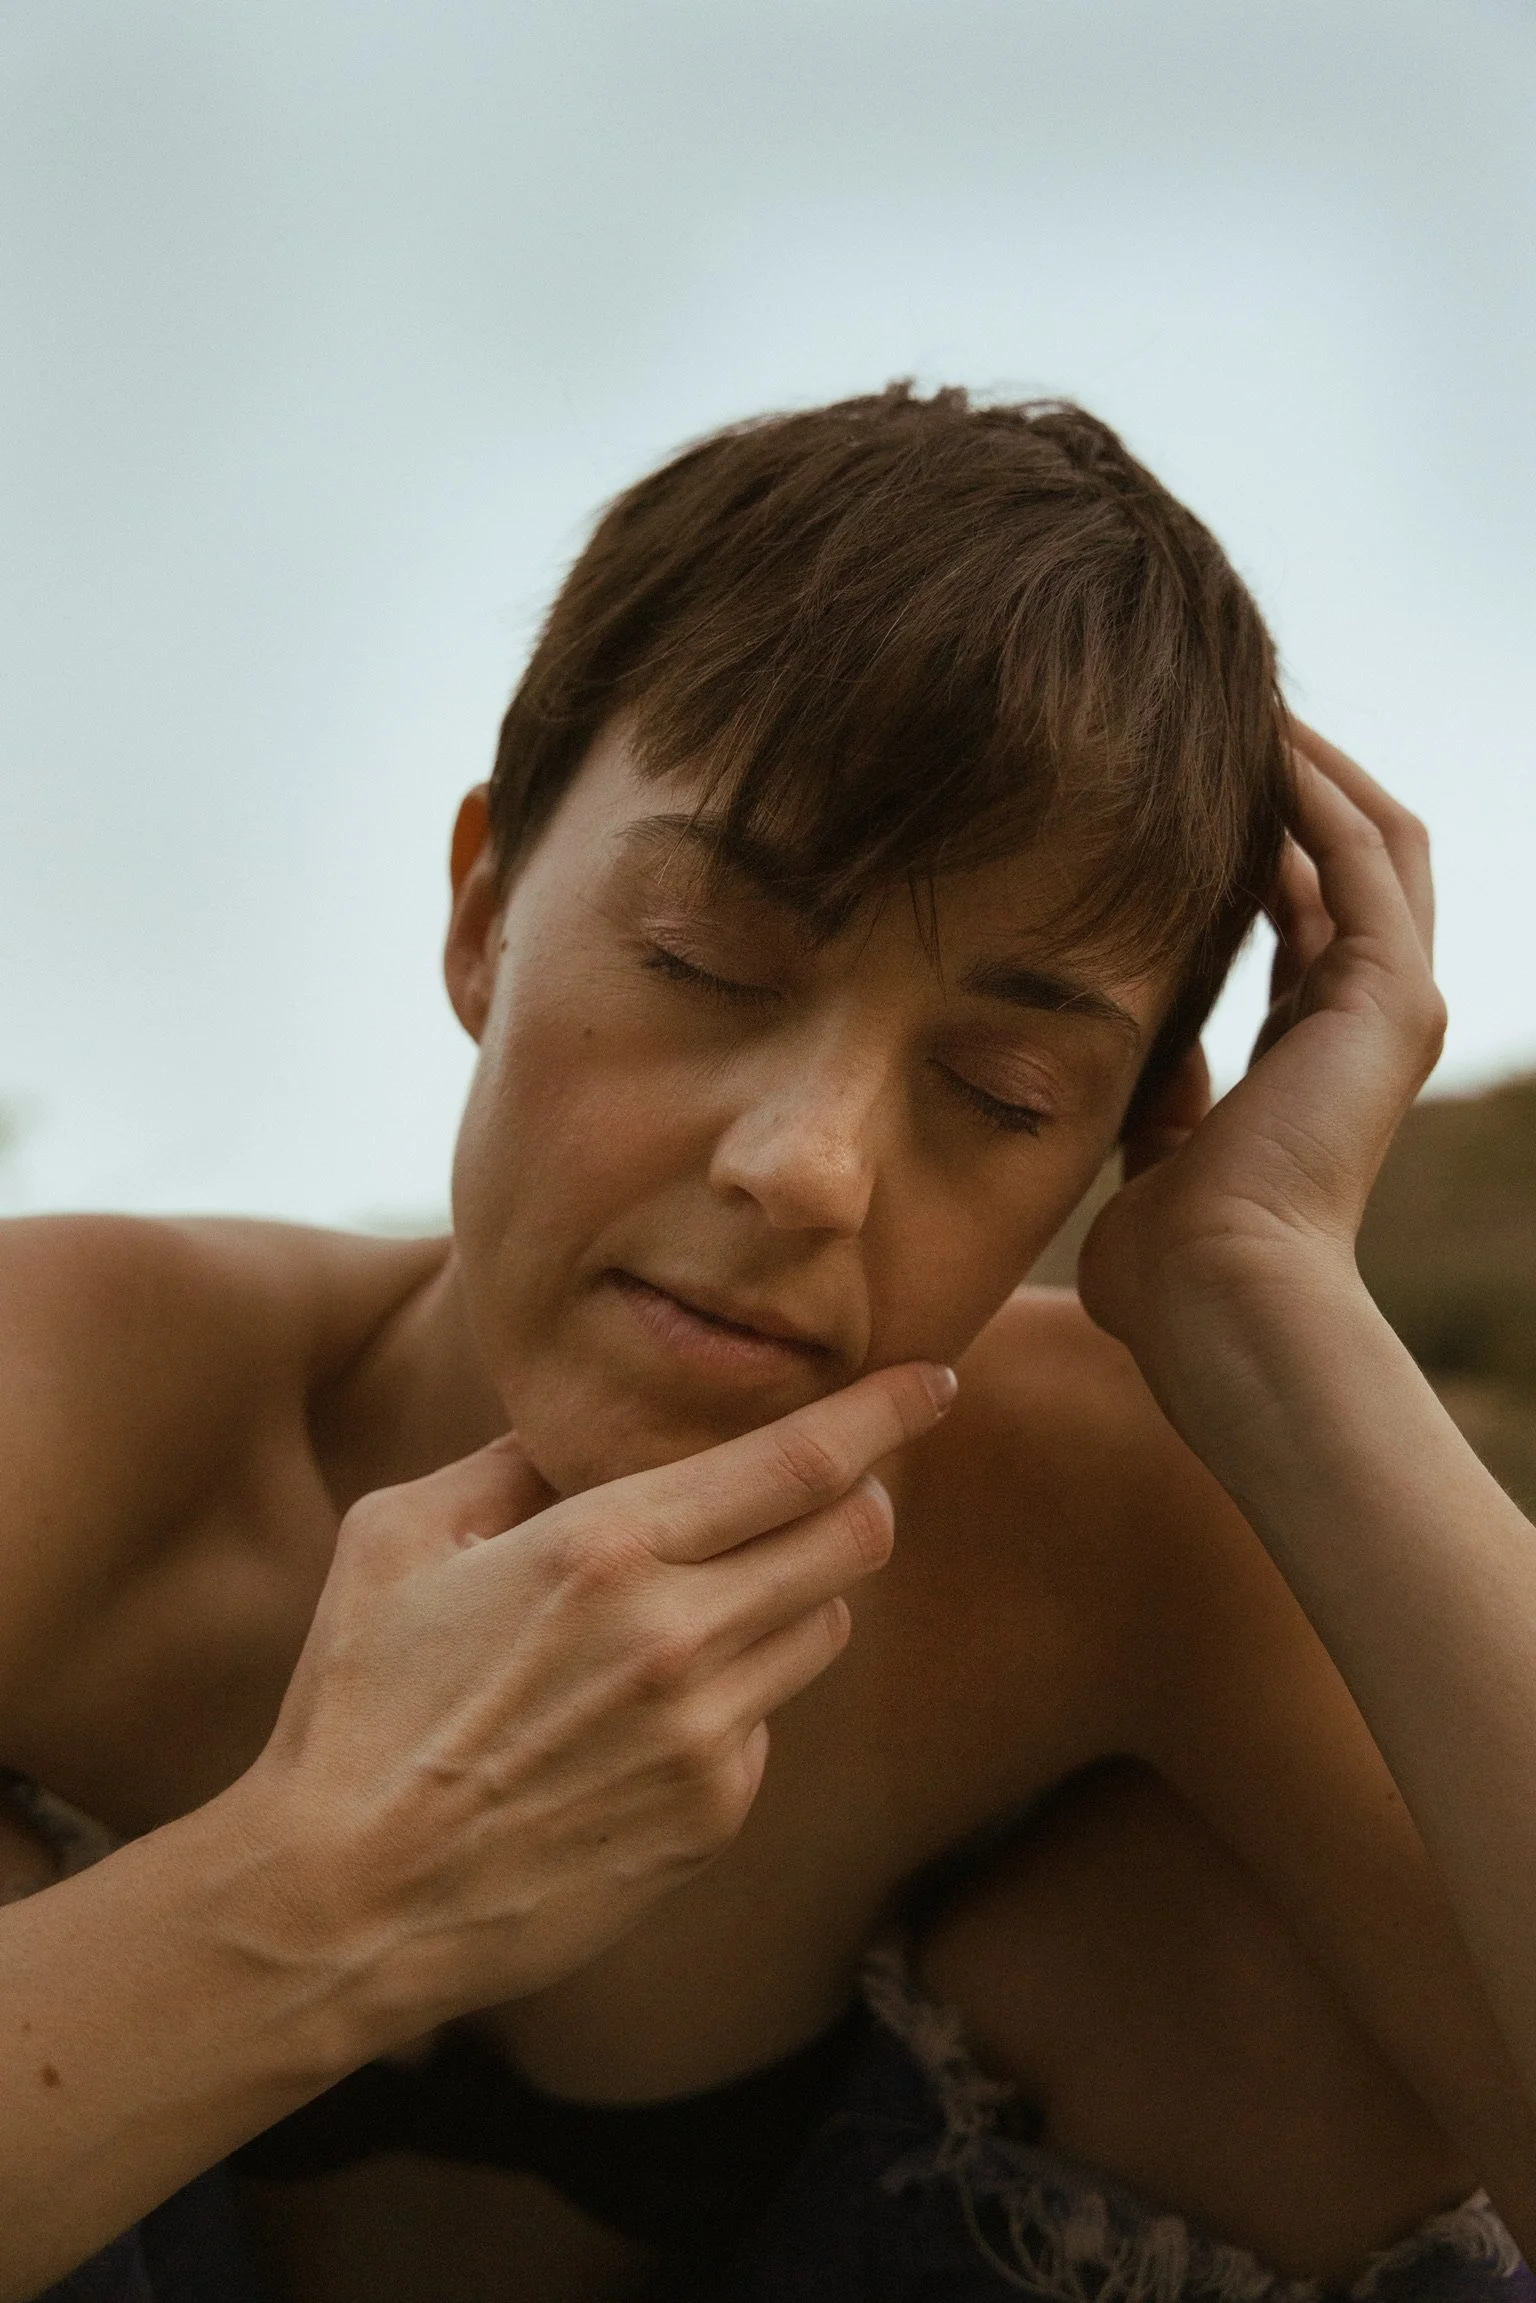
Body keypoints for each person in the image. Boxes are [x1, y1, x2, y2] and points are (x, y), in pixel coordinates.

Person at [4, 385, 1536, 2302]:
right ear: (485, 908)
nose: (806, 1166)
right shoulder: (49, 1397)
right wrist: (326, 1884)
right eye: (703, 964)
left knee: (1249, 1959)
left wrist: (1274, 1309)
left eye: (1001, 1084)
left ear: (1124, 1125)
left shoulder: (1117, 1512)